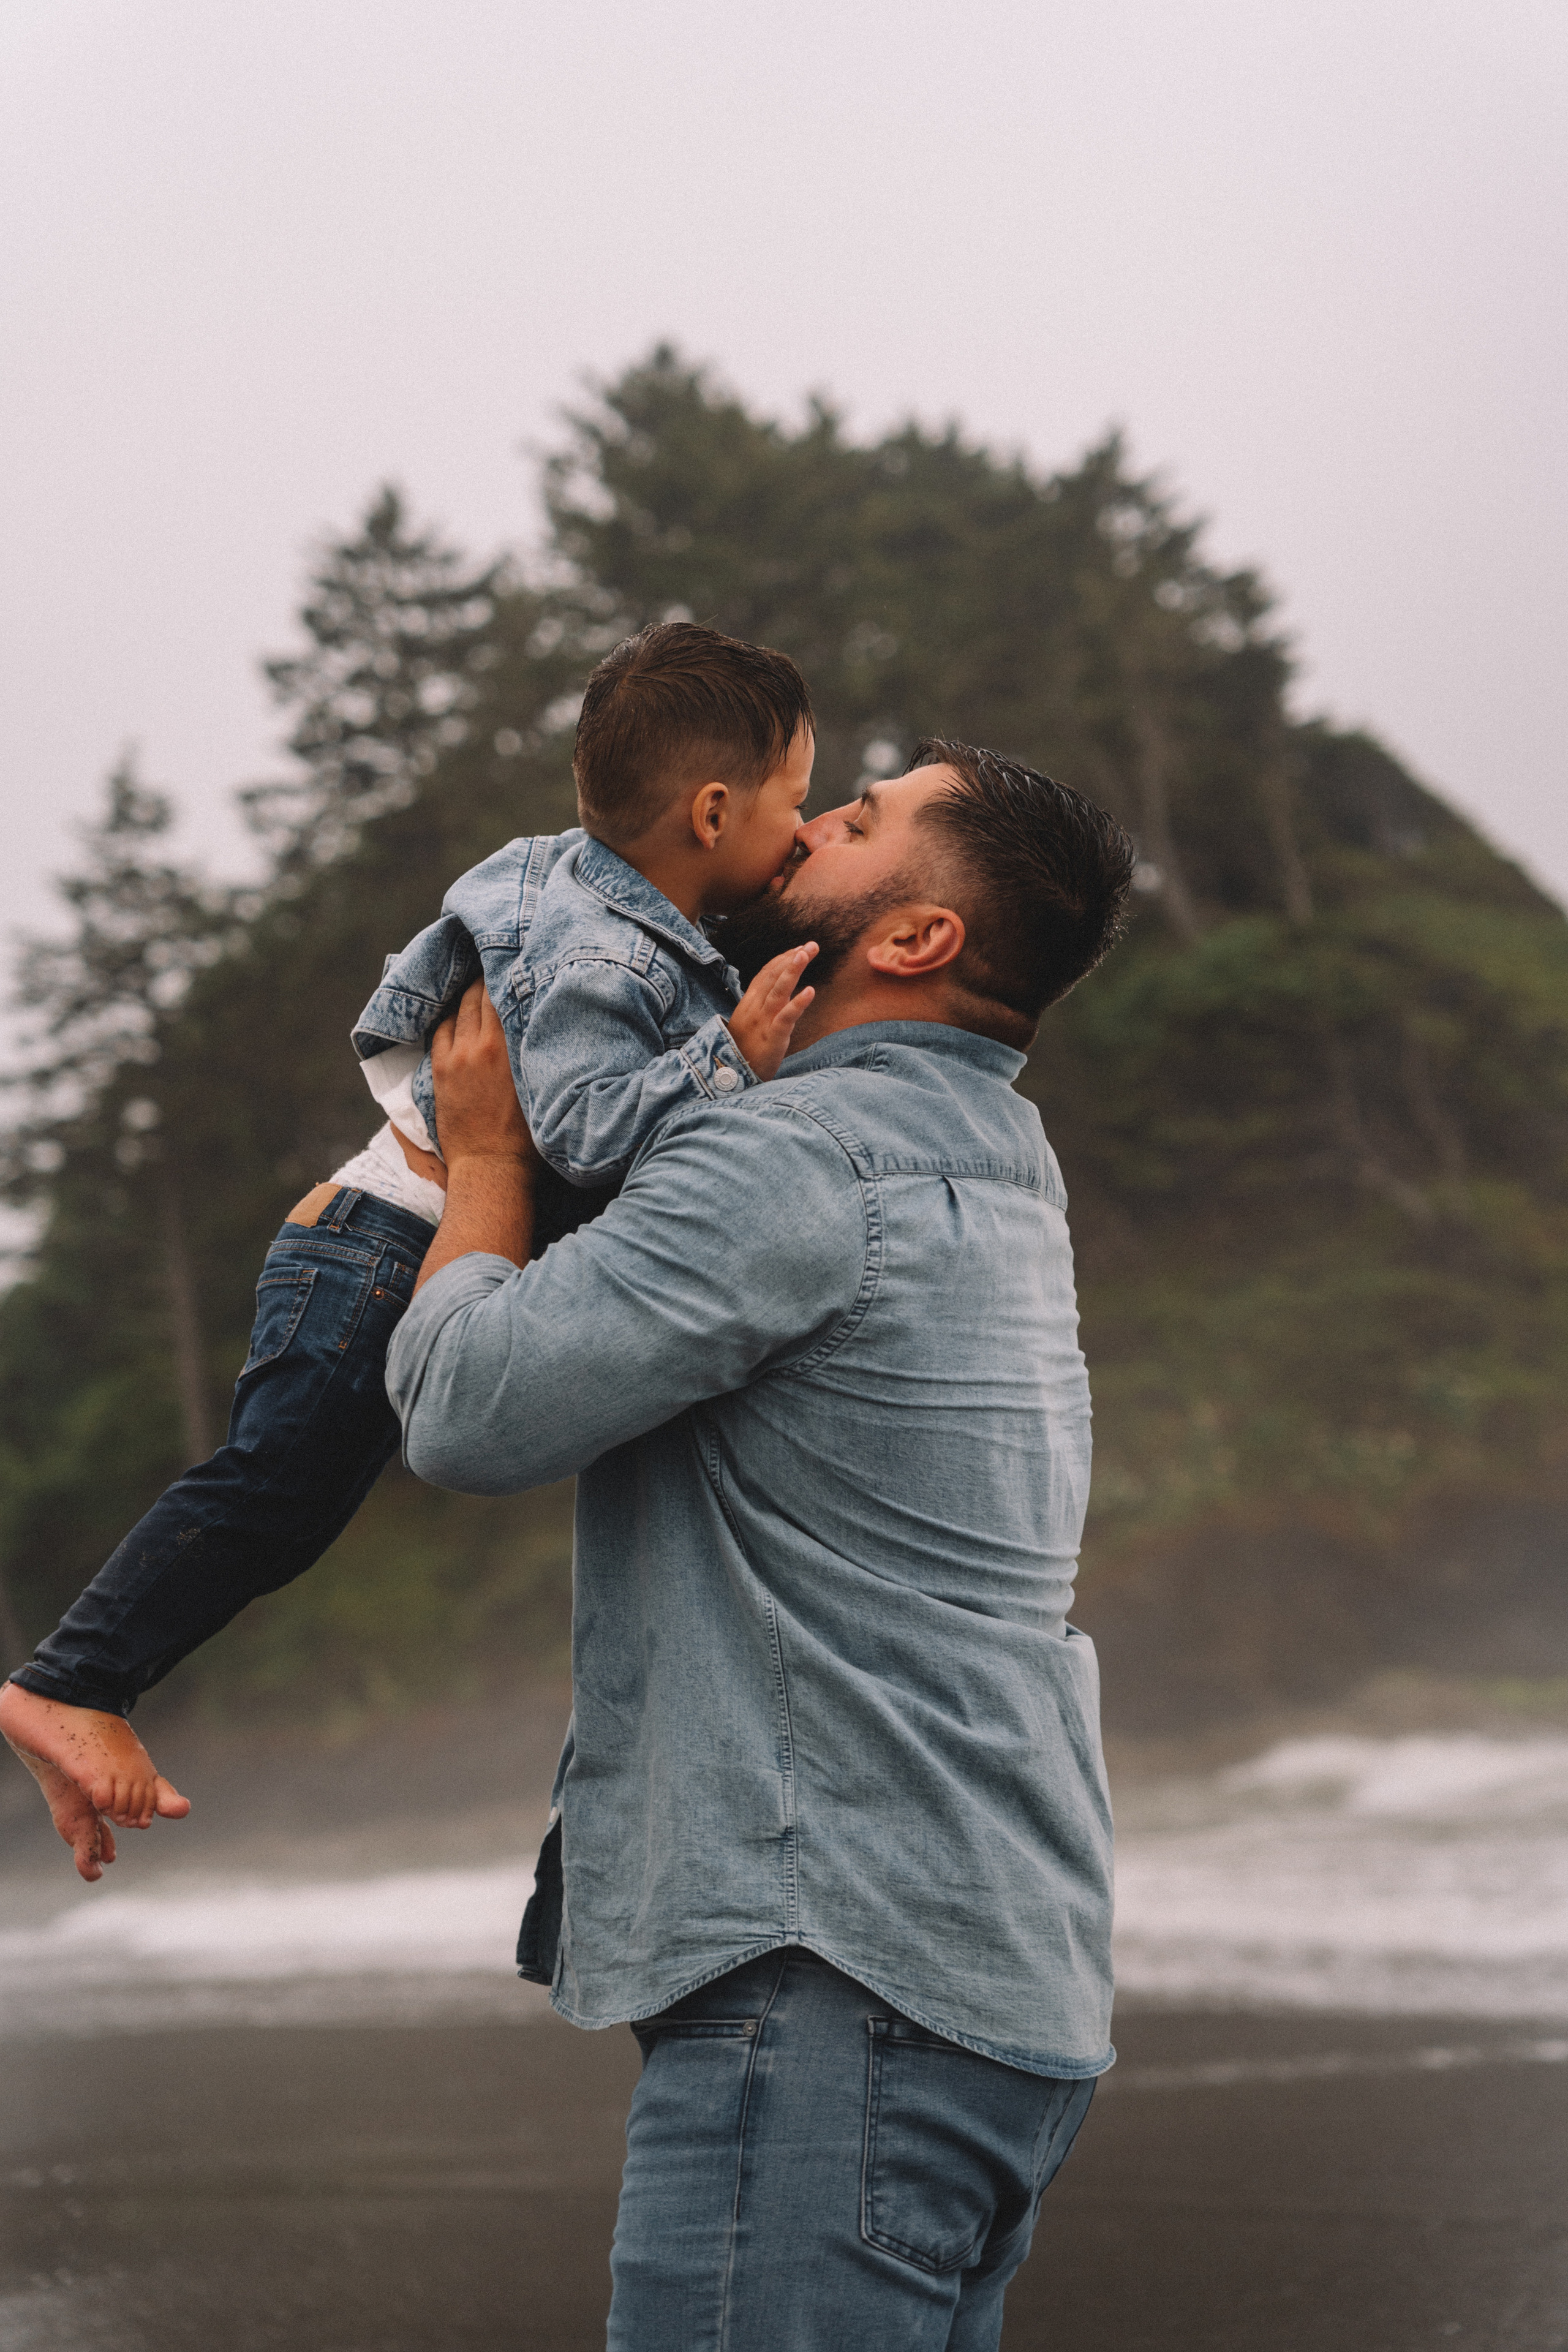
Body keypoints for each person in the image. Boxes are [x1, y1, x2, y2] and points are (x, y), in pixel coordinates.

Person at [389, 740, 1136, 2350]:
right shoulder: (1005, 1165)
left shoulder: (795, 1164)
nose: (805, 829)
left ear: (918, 938)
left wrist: (491, 1162)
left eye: (860, 824)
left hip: (836, 1983)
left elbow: (466, 1404)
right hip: (1005, 1984)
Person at [0, 622, 821, 1877]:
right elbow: (584, 1133)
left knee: (294, 1499)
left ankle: (80, 1682)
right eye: (798, 805)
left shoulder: (573, 887)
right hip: (384, 1247)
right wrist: (734, 1059)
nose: (806, 835)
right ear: (711, 812)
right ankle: (70, 1682)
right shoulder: (599, 955)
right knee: (275, 1491)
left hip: (366, 1235)